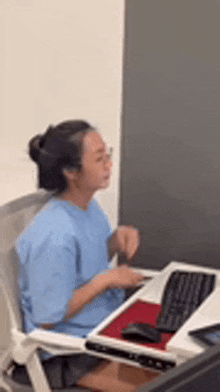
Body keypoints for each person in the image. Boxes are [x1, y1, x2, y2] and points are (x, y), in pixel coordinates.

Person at [13, 120, 158, 392]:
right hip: (68, 355)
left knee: (181, 364)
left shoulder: (87, 208)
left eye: (108, 155)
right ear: (71, 171)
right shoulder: (53, 235)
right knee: (172, 384)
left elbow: (77, 268)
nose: (109, 165)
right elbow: (48, 316)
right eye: (99, 159)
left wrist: (113, 242)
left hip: (102, 329)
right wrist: (105, 281)